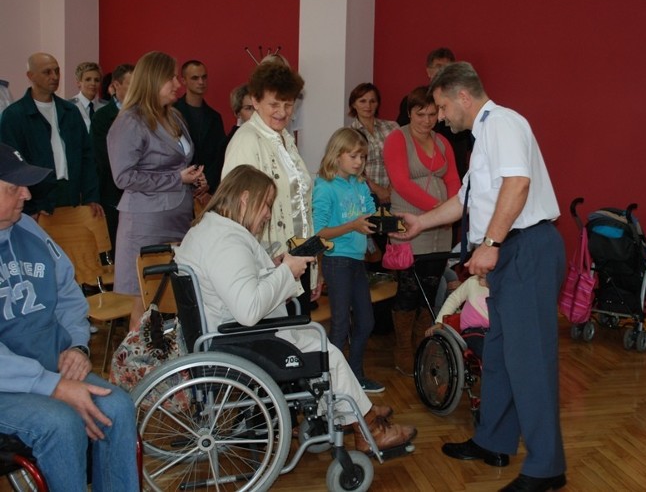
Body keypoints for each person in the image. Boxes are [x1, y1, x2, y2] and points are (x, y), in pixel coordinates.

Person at [392, 62, 566, 492]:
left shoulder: (504, 123)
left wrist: (490, 242)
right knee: (503, 354)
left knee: (531, 361)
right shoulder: (483, 136)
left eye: (442, 106)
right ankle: (495, 441)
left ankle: (547, 468)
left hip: (526, 249)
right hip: (510, 252)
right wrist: (421, 223)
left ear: (463, 96)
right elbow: (463, 199)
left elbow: (518, 184)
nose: (441, 116)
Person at [173, 164, 416, 452]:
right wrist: (287, 271)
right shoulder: (227, 241)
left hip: (223, 335)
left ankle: (361, 412)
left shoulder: (210, 229)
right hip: (238, 340)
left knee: (318, 341)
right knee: (327, 352)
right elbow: (249, 309)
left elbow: (235, 286)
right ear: (245, 198)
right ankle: (368, 428)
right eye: (266, 205)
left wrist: (275, 268)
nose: (267, 214)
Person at [0, 143, 139, 491]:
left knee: (119, 407)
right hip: (9, 386)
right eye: (13, 187)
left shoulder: (29, 232)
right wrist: (53, 386)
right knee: (60, 423)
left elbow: (69, 296)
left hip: (51, 370)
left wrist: (77, 346)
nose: (27, 194)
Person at [107, 51, 206, 330]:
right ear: (152, 81)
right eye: (171, 77)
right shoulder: (130, 121)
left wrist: (195, 178)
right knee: (145, 303)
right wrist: (177, 179)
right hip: (146, 223)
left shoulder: (174, 116)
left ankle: (168, 365)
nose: (177, 83)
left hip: (178, 219)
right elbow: (123, 176)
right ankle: (138, 369)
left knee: (173, 300)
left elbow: (180, 162)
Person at [223, 60, 320, 317]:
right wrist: (269, 264)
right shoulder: (246, 141)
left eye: (288, 104)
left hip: (297, 262)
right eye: (274, 104)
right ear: (255, 100)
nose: (282, 112)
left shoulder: (285, 139)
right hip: (269, 268)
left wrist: (313, 267)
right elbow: (236, 215)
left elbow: (301, 208)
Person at [383, 86, 461, 375]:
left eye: (432, 114)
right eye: (420, 114)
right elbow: (401, 183)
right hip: (410, 224)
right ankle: (403, 346)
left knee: (431, 287)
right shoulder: (396, 138)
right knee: (408, 289)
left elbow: (453, 177)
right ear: (409, 113)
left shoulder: (443, 142)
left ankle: (421, 343)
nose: (427, 120)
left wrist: (452, 207)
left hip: (440, 226)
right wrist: (440, 208)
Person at [313, 127, 384, 393]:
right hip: (336, 260)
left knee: (366, 321)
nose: (358, 162)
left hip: (357, 260)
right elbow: (319, 233)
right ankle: (328, 380)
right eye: (353, 156)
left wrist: (387, 222)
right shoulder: (324, 186)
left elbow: (370, 214)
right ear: (336, 154)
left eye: (362, 157)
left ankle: (353, 374)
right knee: (341, 323)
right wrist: (353, 226)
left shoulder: (359, 183)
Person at [0, 52, 102, 220]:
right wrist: (30, 206)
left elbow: (86, 156)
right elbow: (12, 167)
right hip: (36, 198)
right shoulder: (15, 115)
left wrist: (91, 197)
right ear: (30, 76)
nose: (54, 77)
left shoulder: (70, 111)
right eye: (47, 72)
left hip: (70, 193)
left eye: (57, 71)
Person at [397, 47, 471, 181]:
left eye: (447, 67)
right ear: (428, 71)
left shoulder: (463, 103)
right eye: (438, 66)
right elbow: (403, 135)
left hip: (456, 172)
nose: (442, 70)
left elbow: (469, 140)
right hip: (419, 173)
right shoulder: (411, 101)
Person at [92, 63, 134, 257]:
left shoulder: (144, 115)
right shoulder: (102, 117)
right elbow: (102, 158)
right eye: (131, 84)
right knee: (117, 252)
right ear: (116, 85)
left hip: (138, 195)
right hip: (113, 194)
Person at [172, 59, 227, 197]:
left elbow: (219, 155)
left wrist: (208, 183)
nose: (201, 82)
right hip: (178, 187)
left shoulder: (214, 117)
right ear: (183, 80)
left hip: (207, 189)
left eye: (204, 77)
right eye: (195, 78)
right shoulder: (171, 113)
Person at [348, 83, 398, 208]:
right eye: (362, 101)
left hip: (395, 192)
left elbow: (401, 159)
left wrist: (391, 187)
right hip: (364, 194)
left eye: (372, 101)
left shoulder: (392, 127)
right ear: (354, 104)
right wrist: (377, 189)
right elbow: (351, 168)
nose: (368, 106)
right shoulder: (349, 133)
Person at [426, 274, 490, 358]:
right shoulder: (473, 281)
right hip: (472, 331)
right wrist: (440, 322)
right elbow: (454, 298)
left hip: (494, 331)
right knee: (488, 351)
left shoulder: (504, 286)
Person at [70, 61, 108, 132]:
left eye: (97, 80)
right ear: (79, 83)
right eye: (88, 79)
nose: (93, 83)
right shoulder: (69, 107)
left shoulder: (106, 106)